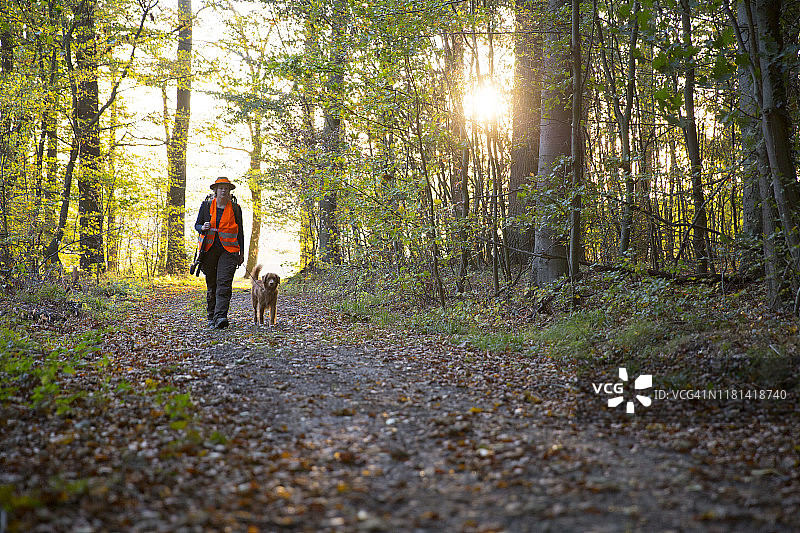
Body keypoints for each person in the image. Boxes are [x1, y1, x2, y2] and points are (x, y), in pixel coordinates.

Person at [194, 177, 245, 329]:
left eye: (226, 188)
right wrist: (202, 227)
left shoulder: (236, 208)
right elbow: (197, 225)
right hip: (209, 250)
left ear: (230, 191)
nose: (223, 190)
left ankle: (221, 317)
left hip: (229, 251)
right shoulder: (206, 205)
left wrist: (242, 253)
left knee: (224, 283)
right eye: (220, 187)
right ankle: (211, 316)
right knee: (212, 284)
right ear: (215, 190)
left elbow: (240, 232)